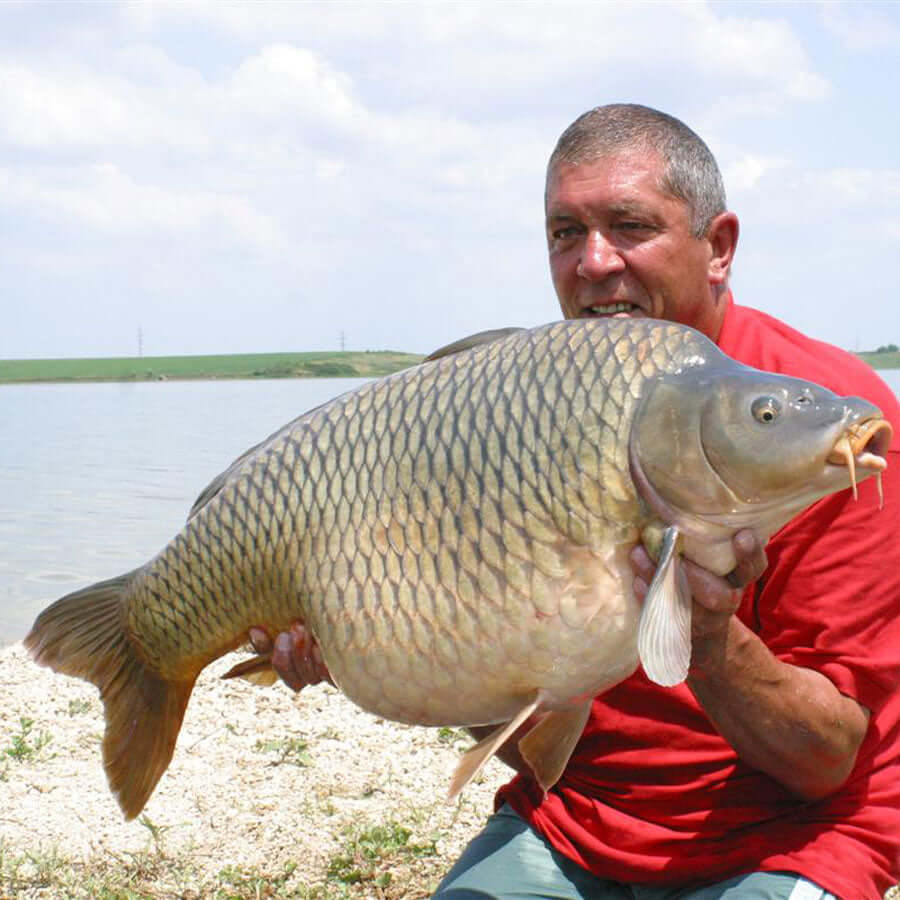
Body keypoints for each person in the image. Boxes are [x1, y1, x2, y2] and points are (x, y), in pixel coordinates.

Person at [250, 105, 900, 899]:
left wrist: (707, 635)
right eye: (565, 233)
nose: (594, 262)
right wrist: (370, 645)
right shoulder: (510, 409)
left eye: (629, 226)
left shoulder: (829, 431)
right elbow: (523, 732)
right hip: (576, 818)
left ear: (719, 247)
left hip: (790, 839)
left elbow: (826, 763)